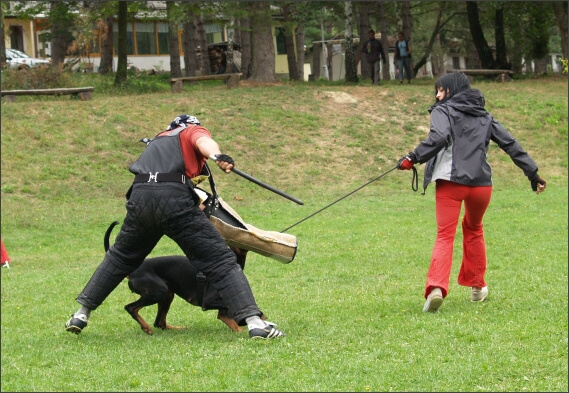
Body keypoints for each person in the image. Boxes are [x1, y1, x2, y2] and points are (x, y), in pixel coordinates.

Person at [65, 114, 285, 339]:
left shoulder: (159, 139)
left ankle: (80, 315)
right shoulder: (190, 130)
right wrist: (217, 155)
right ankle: (256, 324)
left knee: (120, 257)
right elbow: (203, 142)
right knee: (220, 260)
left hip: (140, 197)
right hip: (172, 197)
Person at [396, 72, 546, 313]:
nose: (437, 95)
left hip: (451, 183)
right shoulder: (484, 115)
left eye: (441, 90)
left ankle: (436, 289)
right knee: (474, 229)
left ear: (451, 90)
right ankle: (478, 288)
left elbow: (439, 136)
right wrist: (533, 174)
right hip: (481, 186)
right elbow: (510, 144)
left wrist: (412, 158)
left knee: (445, 235)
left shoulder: (441, 110)